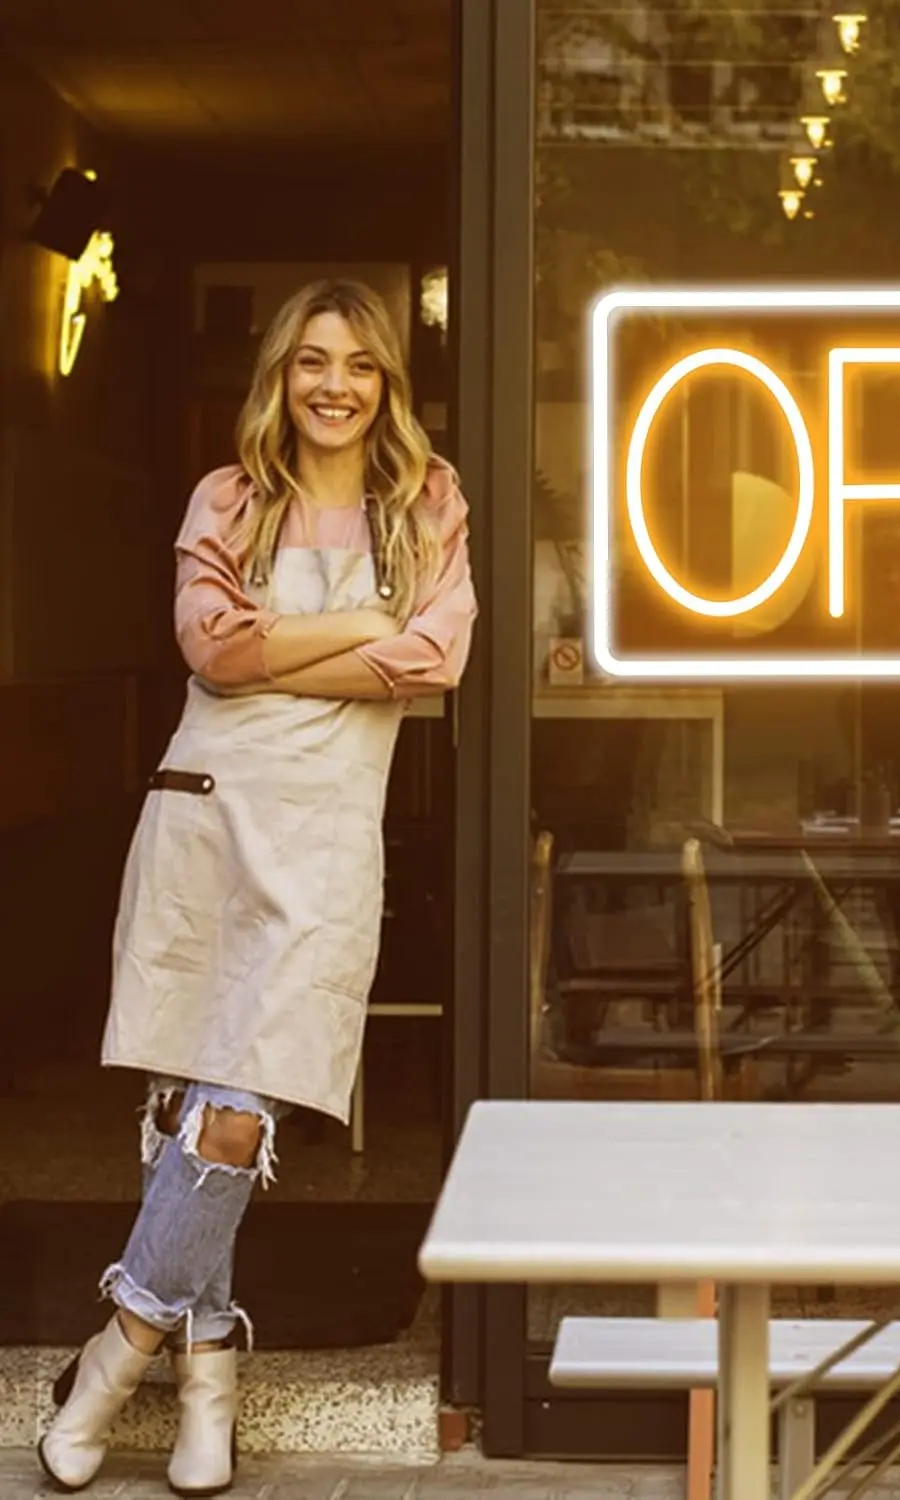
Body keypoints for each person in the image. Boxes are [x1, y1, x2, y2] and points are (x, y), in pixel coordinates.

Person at [38, 278, 478, 1496]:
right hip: (209, 823)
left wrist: (278, 656)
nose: (335, 386)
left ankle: (116, 1351)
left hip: (328, 842)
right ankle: (209, 1377)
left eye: (361, 366)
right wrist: (357, 635)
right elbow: (211, 649)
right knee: (193, 1104)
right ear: (278, 378)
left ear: (389, 385)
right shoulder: (229, 499)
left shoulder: (424, 501)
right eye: (310, 363)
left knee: (241, 1110)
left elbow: (436, 655)